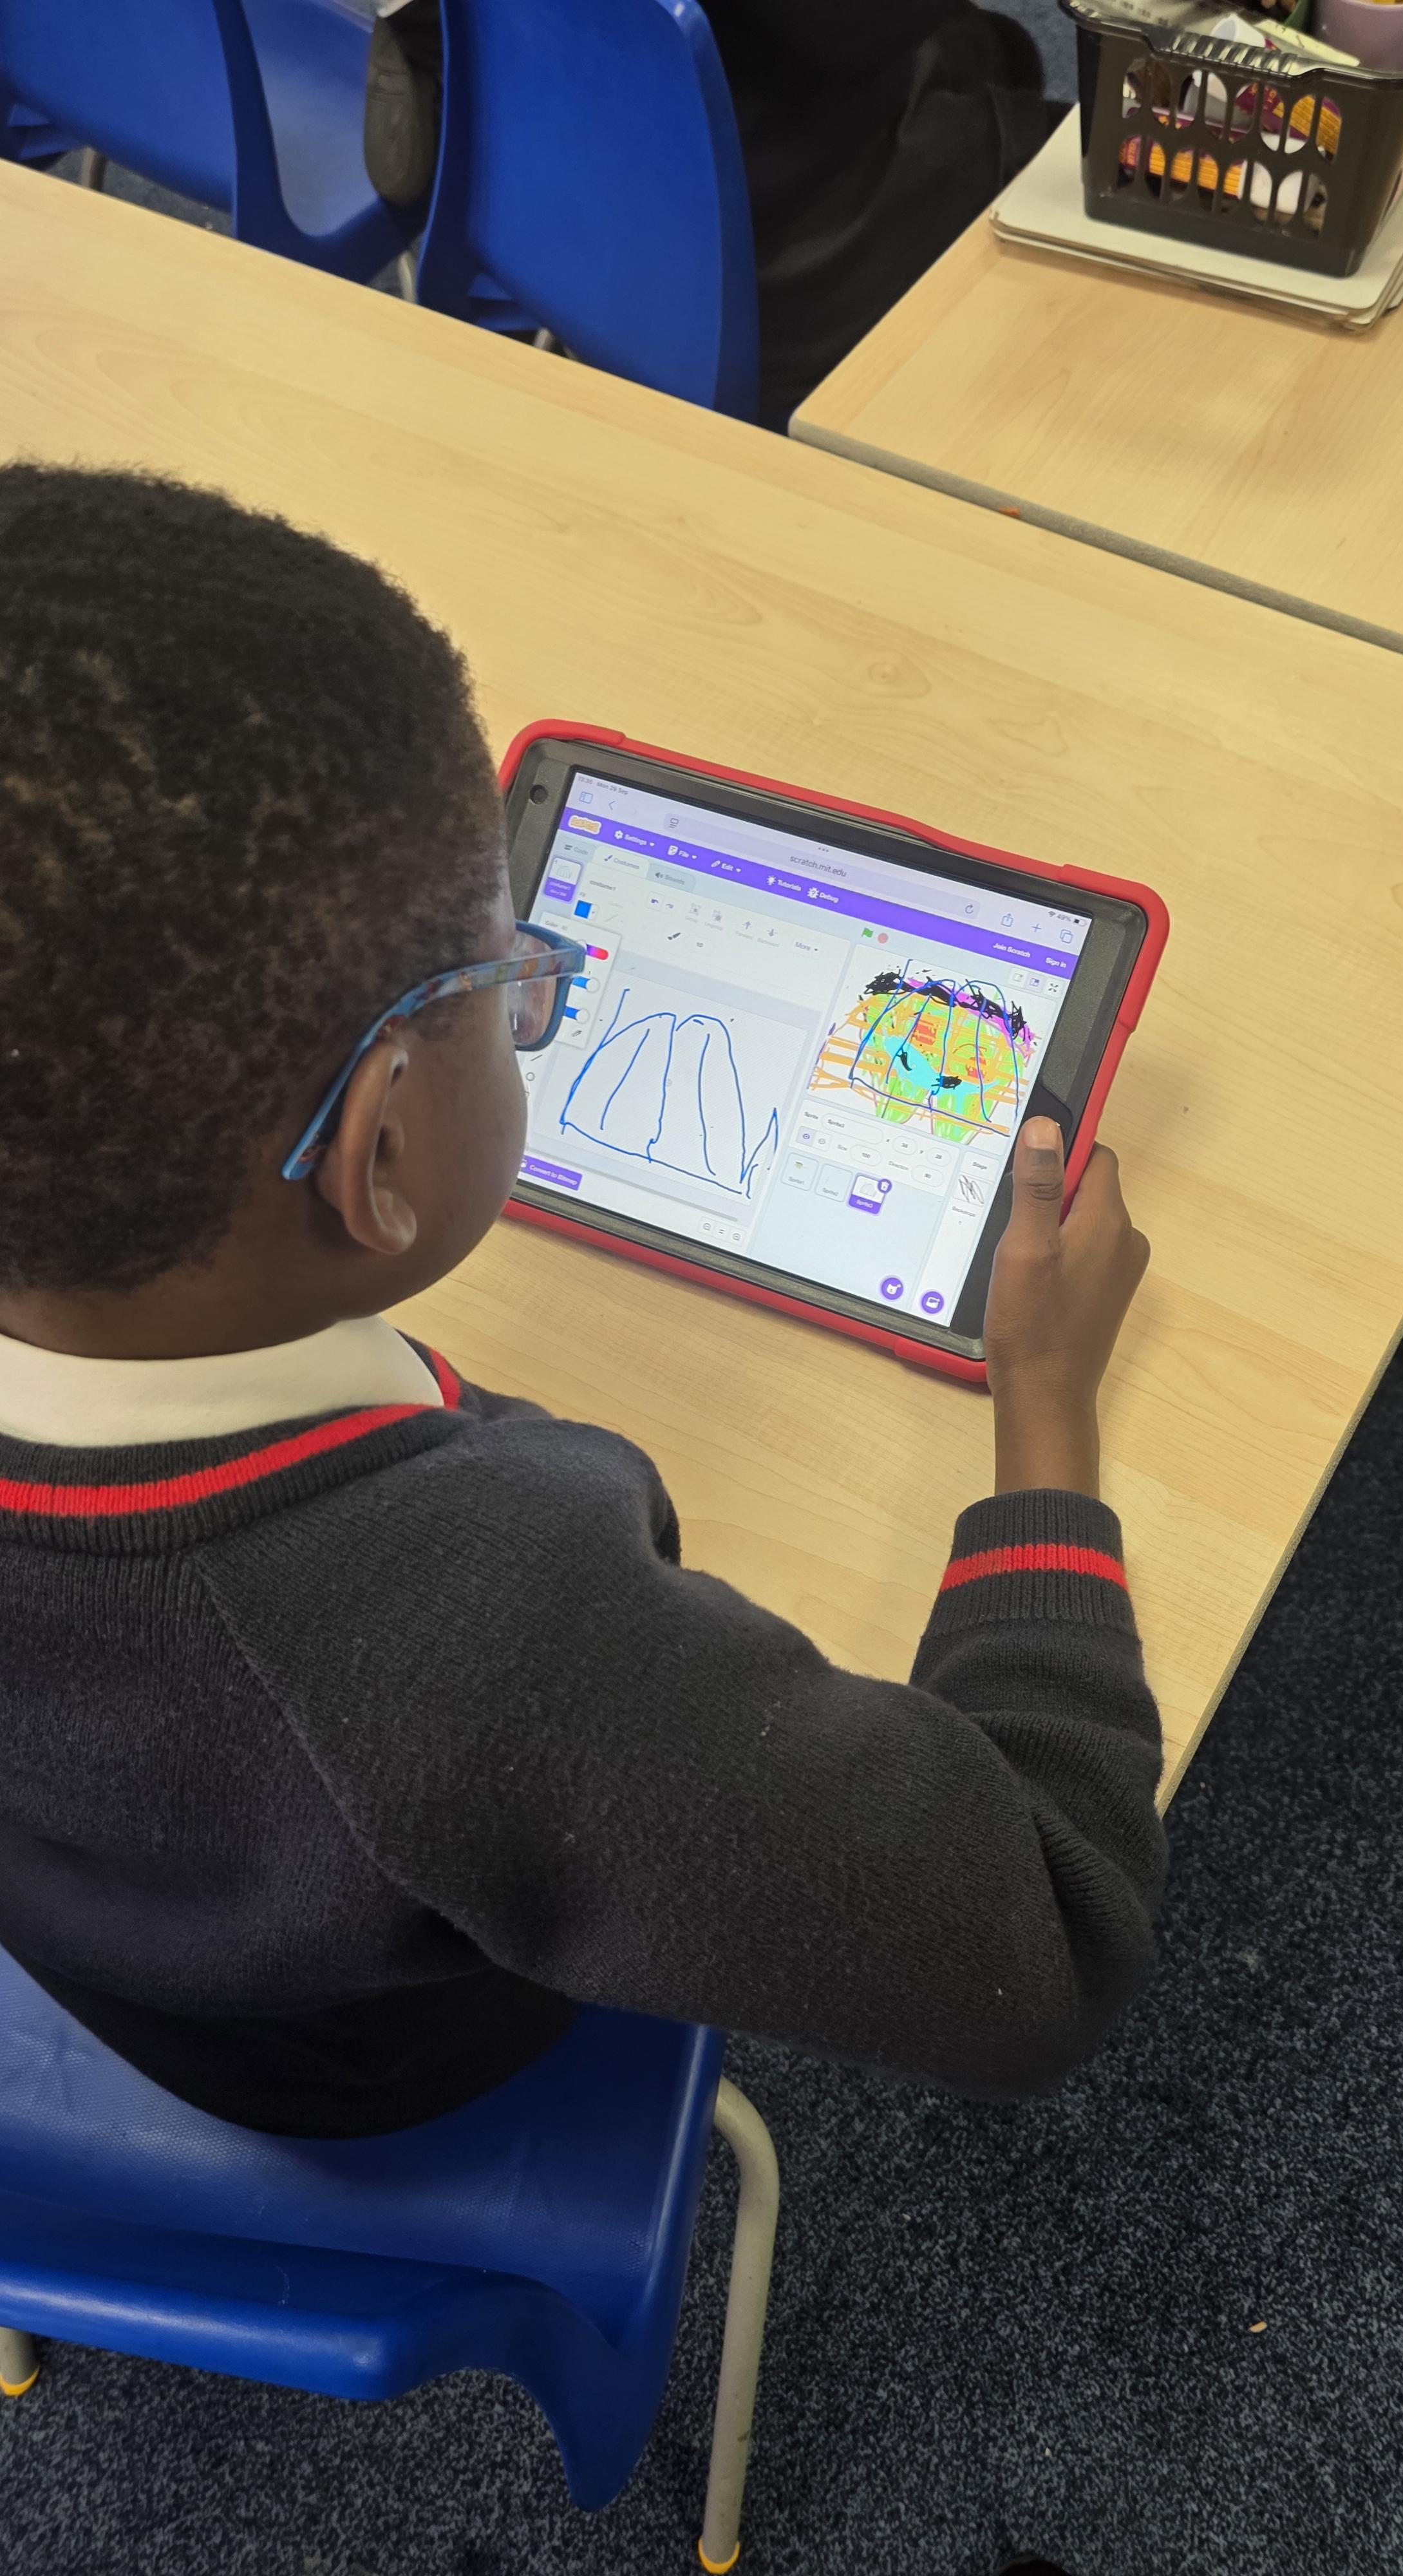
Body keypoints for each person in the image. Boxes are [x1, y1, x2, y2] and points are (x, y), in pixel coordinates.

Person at [0, 464, 1165, 2141]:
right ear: (381, 1150)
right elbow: (1046, 1943)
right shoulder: (490, 1633)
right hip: (367, 2058)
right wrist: (1043, 1404)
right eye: (519, 979)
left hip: (115, 1945)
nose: (533, 999)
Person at [364, 0, 1064, 426]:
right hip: (773, 258)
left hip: (539, 187)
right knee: (1109, 176)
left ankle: (427, 44)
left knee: (979, 43)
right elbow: (857, 33)